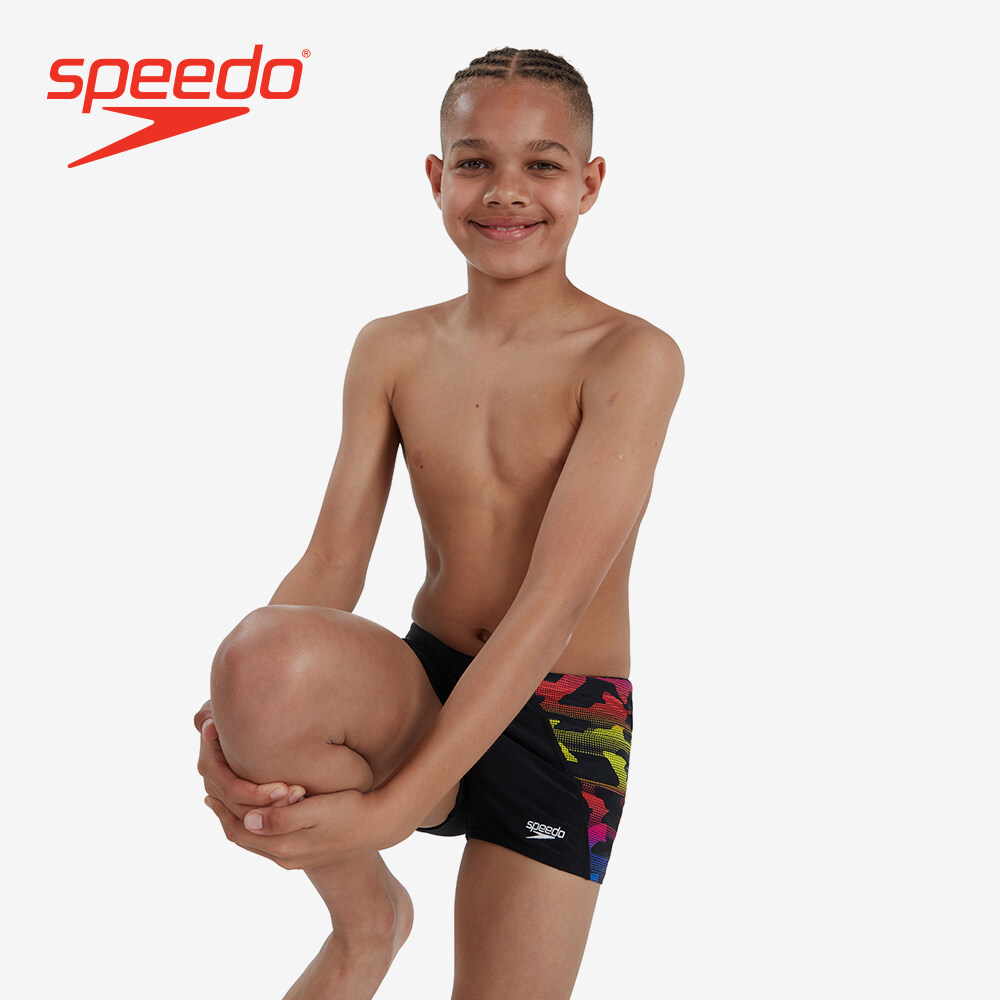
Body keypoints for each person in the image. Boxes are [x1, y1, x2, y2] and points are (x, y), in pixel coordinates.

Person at [195, 46, 684, 1000]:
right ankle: (366, 926)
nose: (506, 191)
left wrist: (400, 806)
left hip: (562, 712)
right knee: (259, 657)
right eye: (475, 162)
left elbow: (553, 601)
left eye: (542, 164)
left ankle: (407, 859)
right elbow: (334, 559)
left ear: (589, 184)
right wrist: (238, 715)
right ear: (436, 177)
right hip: (426, 676)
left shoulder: (632, 356)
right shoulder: (392, 347)